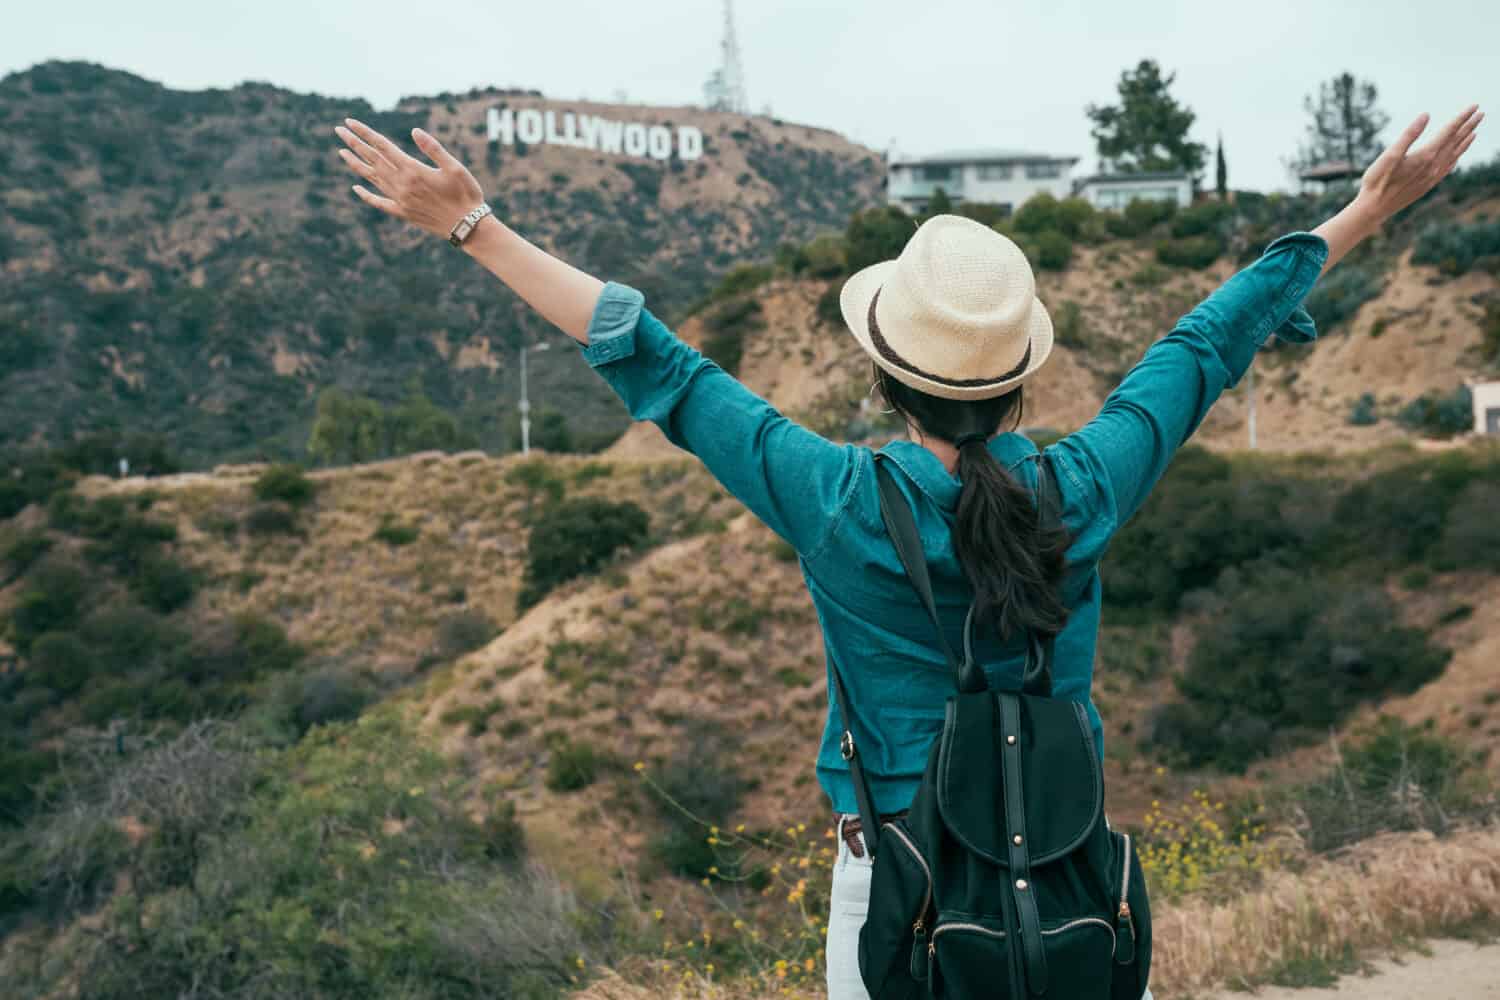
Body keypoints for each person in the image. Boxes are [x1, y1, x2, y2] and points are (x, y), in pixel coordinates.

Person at [333, 103, 1481, 1000]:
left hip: (898, 884)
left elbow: (663, 367)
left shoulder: (834, 495)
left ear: (878, 374)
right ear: (1024, 377)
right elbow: (1206, 341)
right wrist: (1365, 210)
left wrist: (474, 227)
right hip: (1071, 885)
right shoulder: (1086, 482)